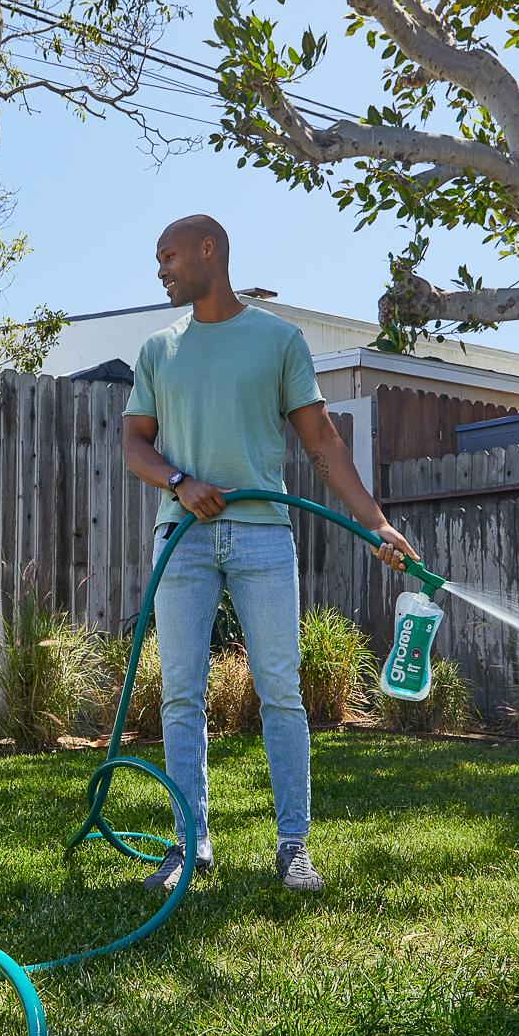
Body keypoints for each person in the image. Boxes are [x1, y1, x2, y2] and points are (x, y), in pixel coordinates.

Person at [122, 215, 420, 892]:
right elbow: (135, 444)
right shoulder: (158, 350)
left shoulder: (279, 340)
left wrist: (376, 522)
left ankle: (293, 845)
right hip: (183, 541)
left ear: (208, 251)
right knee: (180, 695)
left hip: (261, 533)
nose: (161, 269)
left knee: (281, 690)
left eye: (167, 255)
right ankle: (189, 843)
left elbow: (322, 443)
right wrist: (179, 481)